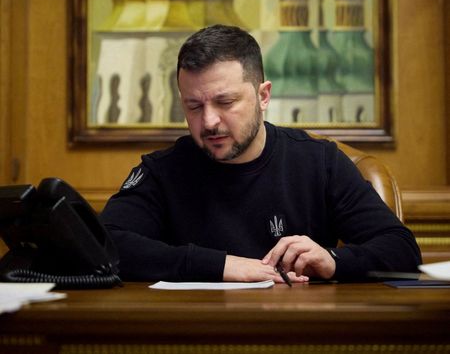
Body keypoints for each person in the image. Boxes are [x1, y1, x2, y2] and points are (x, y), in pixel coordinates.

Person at [100, 24, 421, 283]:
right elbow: (103, 245)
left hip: (298, 328)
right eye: (193, 106)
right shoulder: (163, 171)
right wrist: (219, 265)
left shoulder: (318, 162)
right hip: (196, 330)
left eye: (225, 102)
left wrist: (333, 260)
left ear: (263, 96)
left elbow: (401, 249)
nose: (208, 121)